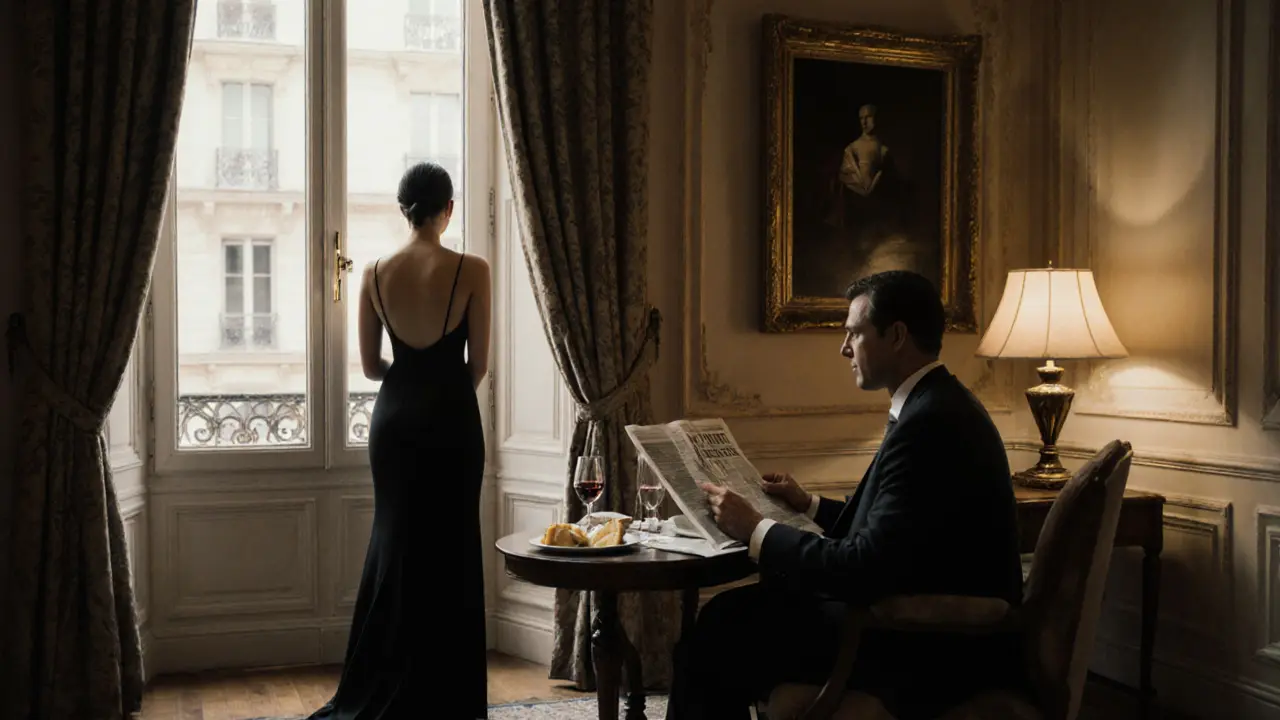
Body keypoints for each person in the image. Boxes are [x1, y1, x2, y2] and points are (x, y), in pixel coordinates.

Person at [667, 270, 1024, 720]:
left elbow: (863, 567)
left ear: (896, 336)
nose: (844, 349)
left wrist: (755, 529)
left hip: (922, 645)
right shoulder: (936, 404)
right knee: (732, 620)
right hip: (910, 622)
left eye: (853, 333)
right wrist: (807, 505)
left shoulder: (931, 424)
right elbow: (895, 534)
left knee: (720, 630)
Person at [307, 162, 492, 720]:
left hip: (394, 421)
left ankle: (381, 682)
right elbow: (476, 366)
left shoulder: (374, 272)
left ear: (403, 209)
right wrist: (441, 388)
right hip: (451, 417)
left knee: (396, 545)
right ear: (449, 209)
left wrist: (409, 379)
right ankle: (446, 696)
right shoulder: (473, 270)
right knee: (452, 549)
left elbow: (369, 367)